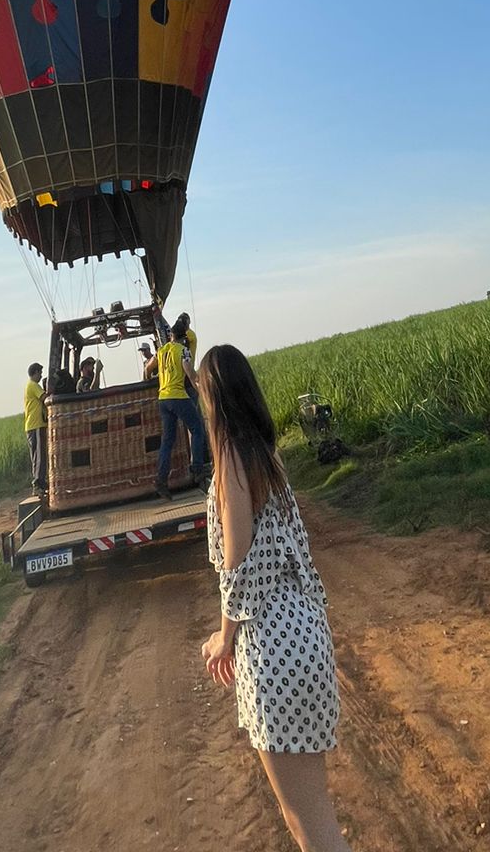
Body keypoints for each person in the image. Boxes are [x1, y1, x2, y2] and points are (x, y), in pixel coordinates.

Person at [197, 345, 348, 852]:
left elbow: (239, 566)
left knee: (307, 821)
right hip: (306, 630)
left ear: (214, 400)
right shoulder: (267, 455)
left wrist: (223, 637)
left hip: (272, 646)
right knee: (313, 810)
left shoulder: (231, 461)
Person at [145, 319, 208, 498]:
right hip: (178, 396)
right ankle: (197, 469)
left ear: (171, 335)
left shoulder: (161, 351)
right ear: (184, 337)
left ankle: (161, 480)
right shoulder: (183, 351)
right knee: (197, 429)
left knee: (167, 441)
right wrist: (202, 392)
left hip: (163, 399)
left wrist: (148, 378)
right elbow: (191, 375)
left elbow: (148, 368)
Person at [24, 363, 47, 497]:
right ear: (35, 372)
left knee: (37, 456)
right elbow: (45, 398)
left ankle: (41, 483)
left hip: (34, 425)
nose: (41, 376)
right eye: (40, 373)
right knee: (39, 456)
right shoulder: (33, 385)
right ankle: (37, 484)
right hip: (35, 424)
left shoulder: (30, 386)